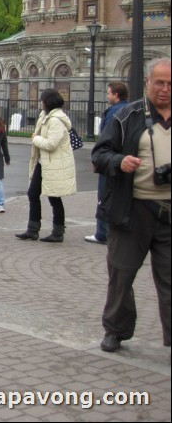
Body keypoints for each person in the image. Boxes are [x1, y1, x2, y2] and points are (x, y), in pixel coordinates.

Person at [91, 58, 170, 353]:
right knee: (121, 275)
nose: (165, 89)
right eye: (159, 82)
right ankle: (116, 329)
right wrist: (119, 161)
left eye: (171, 84)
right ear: (148, 82)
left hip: (169, 211)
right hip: (131, 210)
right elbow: (100, 154)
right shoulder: (127, 115)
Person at [16, 88, 76, 242]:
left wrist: (35, 138)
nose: (40, 103)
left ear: (48, 102)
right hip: (45, 163)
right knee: (33, 193)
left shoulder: (55, 120)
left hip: (54, 164)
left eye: (42, 100)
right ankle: (32, 229)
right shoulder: (46, 116)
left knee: (54, 197)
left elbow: (51, 144)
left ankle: (58, 232)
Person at [86, 81, 129, 245]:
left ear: (116, 95)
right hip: (122, 159)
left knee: (103, 196)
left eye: (109, 93)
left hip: (110, 159)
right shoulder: (129, 109)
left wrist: (98, 159)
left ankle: (102, 232)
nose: (107, 96)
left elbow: (106, 138)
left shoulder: (113, 112)